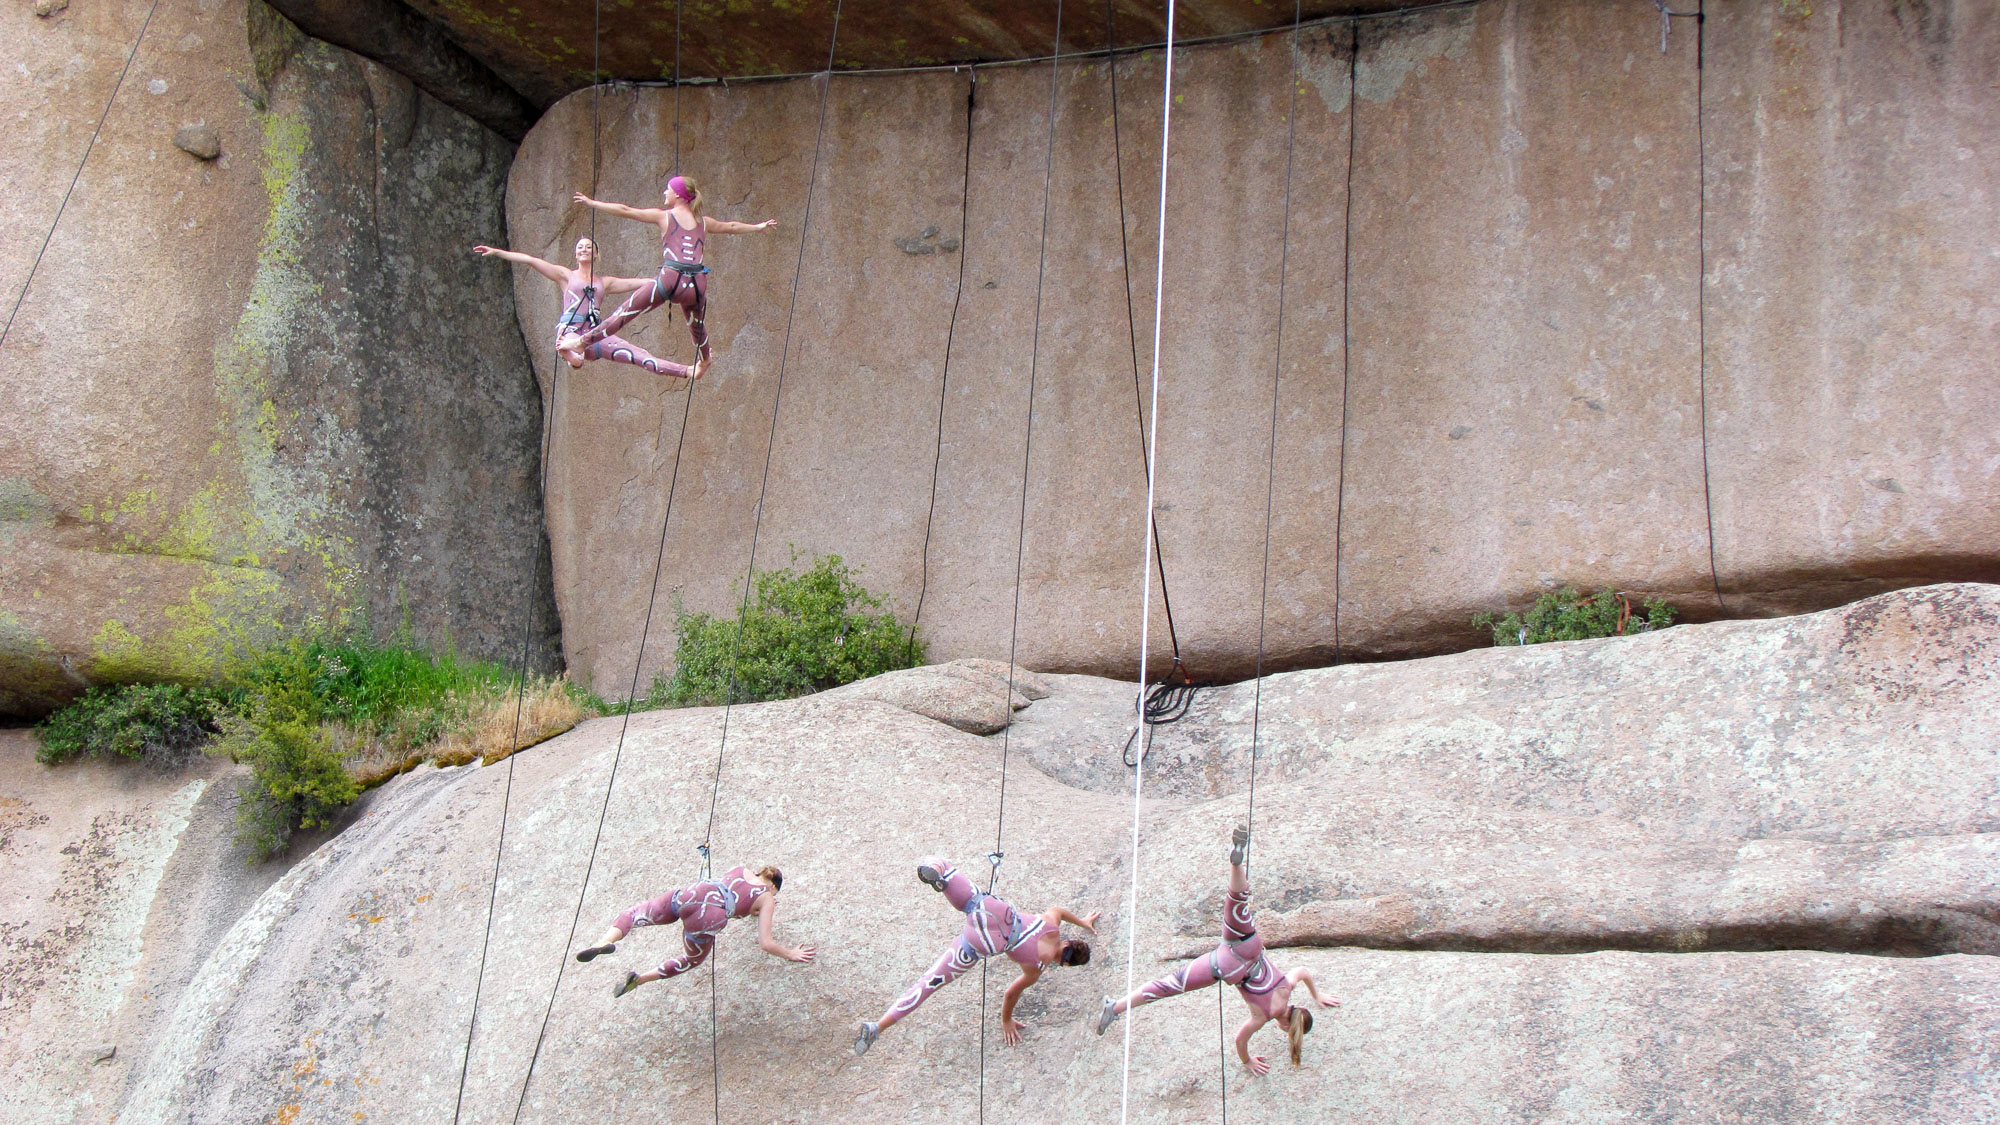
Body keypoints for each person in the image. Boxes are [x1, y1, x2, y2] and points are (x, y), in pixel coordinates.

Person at [1096, 827, 1338, 1075]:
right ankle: (1114, 1008)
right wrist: (1247, 1061)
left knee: (1238, 900)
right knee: (1167, 986)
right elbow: (1240, 1040)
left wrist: (1317, 994)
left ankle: (1236, 863)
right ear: (1287, 1027)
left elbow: (1302, 971)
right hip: (1225, 966)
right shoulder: (1263, 1016)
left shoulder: (1287, 988)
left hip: (1250, 945)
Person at [854, 856, 1099, 1056]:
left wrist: (1082, 921)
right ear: (1065, 964)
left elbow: (1060, 911)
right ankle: (877, 1027)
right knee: (929, 983)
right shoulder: (1036, 968)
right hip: (984, 943)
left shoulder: (1052, 924)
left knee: (943, 865)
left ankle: (938, 874)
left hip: (994, 911)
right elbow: (1010, 994)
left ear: (1067, 942)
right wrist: (1006, 1021)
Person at [558, 175, 777, 379]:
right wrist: (757, 227)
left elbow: (626, 210)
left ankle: (581, 342)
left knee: (626, 312)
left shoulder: (664, 216)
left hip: (671, 278)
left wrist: (593, 203)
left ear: (678, 195)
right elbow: (731, 226)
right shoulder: (703, 222)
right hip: (696, 283)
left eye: (668, 189)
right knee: (697, 326)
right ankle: (704, 359)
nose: (665, 192)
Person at [574, 864, 815, 997]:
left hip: (693, 894)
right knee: (692, 959)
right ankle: (639, 980)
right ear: (773, 886)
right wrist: (790, 953)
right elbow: (766, 942)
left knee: (635, 913)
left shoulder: (740, 869)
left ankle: (603, 941)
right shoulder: (767, 897)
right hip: (708, 916)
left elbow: (738, 893)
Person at [472, 236, 697, 378]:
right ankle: (568, 353)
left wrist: (672, 279)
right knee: (577, 357)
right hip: (571, 331)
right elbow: (531, 260)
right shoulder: (566, 276)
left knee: (639, 356)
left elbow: (640, 283)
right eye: (580, 247)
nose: (584, 249)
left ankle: (687, 371)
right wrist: (498, 252)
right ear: (575, 253)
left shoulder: (604, 283)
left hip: (594, 334)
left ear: (596, 254)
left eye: (589, 247)